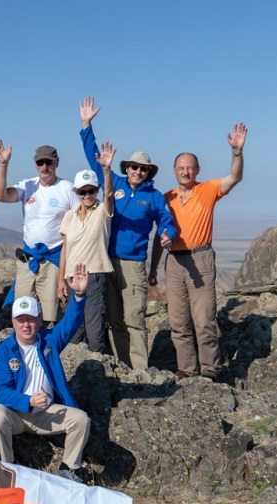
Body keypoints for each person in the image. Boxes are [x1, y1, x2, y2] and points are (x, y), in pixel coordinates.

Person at [78, 97, 178, 369]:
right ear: (127, 168)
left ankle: (140, 372)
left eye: (142, 168)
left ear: (148, 172)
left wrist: (169, 233)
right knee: (114, 318)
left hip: (133, 264)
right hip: (106, 261)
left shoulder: (154, 197)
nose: (137, 171)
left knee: (135, 319)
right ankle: (122, 368)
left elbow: (167, 220)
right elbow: (94, 158)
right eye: (133, 167)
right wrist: (86, 125)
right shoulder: (115, 183)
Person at [155, 123, 248, 380]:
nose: (185, 171)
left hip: (201, 257)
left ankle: (209, 368)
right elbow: (158, 232)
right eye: (181, 168)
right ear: (175, 171)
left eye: (190, 167)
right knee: (178, 321)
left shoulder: (207, 189)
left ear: (197, 170)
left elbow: (235, 178)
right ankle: (186, 367)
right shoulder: (167, 197)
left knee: (204, 318)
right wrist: (154, 265)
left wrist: (237, 153)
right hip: (173, 260)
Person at [0, 264, 92, 482]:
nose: (26, 325)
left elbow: (70, 323)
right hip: (14, 413)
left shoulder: (50, 341)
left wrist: (79, 295)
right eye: (21, 319)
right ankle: (8, 465)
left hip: (46, 414)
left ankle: (68, 468)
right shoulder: (3, 350)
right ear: (13, 321)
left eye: (31, 319)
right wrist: (28, 400)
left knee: (81, 420)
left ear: (40, 319)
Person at [0, 140, 78, 325]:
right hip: (28, 259)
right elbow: (0, 195)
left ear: (57, 162)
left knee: (49, 314)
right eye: (40, 163)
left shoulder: (68, 189)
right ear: (35, 164)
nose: (44, 166)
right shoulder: (28, 186)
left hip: (53, 260)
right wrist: (3, 164)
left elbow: (80, 222)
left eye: (49, 162)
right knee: (22, 310)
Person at [57, 142, 116, 353]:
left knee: (94, 331)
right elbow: (65, 250)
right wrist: (60, 281)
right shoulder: (69, 217)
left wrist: (107, 170)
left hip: (95, 276)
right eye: (82, 192)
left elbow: (109, 196)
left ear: (96, 190)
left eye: (91, 191)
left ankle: (100, 375)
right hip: (72, 278)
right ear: (76, 193)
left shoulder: (102, 212)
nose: (87, 195)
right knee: (73, 331)